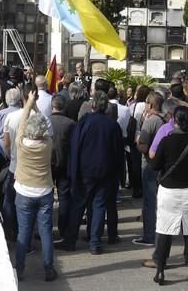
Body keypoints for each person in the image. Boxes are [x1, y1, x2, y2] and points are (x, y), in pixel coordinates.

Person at [149, 106, 188, 286]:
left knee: (164, 230)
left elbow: (154, 165)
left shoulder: (166, 142)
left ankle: (160, 270)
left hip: (168, 191)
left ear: (173, 120)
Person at [61, 91, 124, 254]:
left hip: (85, 171)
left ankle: (71, 240)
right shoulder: (112, 124)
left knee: (78, 205)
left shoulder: (84, 122)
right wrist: (120, 175)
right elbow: (119, 152)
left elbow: (75, 148)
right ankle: (95, 243)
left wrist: (72, 171)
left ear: (93, 105)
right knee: (99, 206)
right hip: (105, 171)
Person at [12, 91, 57, 282]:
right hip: (44, 191)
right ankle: (48, 268)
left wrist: (29, 103)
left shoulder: (21, 143)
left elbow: (23, 122)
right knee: (46, 232)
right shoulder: (47, 144)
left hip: (23, 191)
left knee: (23, 232)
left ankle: (20, 269)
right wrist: (36, 106)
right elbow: (45, 124)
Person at [132, 92, 166, 247]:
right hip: (163, 166)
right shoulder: (166, 120)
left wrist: (138, 142)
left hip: (150, 165)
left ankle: (149, 235)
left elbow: (143, 146)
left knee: (149, 202)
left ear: (151, 105)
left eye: (146, 102)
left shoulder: (151, 121)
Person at [49, 94, 76, 240]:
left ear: (52, 106)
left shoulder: (45, 121)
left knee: (47, 198)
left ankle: (46, 229)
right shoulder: (70, 123)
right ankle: (63, 228)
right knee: (64, 198)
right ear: (64, 106)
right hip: (65, 164)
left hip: (48, 165)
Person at [128, 85, 151, 199]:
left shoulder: (133, 106)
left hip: (134, 136)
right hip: (147, 135)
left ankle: (136, 188)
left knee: (135, 164)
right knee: (145, 163)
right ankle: (145, 186)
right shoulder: (148, 107)